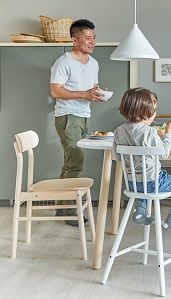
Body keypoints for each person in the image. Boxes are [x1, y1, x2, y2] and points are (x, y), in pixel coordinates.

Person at [112, 88, 171, 231]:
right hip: (153, 182)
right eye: (154, 110)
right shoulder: (150, 132)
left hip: (132, 184)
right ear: (146, 113)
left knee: (144, 184)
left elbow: (117, 157)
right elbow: (164, 153)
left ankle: (139, 211)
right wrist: (168, 133)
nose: (155, 113)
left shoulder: (118, 131)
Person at [50, 19, 102, 226]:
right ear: (75, 40)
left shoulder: (94, 63)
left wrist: (96, 93)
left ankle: (62, 208)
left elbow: (92, 87)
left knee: (71, 162)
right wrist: (84, 93)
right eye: (88, 38)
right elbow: (55, 90)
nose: (92, 42)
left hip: (84, 116)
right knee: (76, 160)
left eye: (94, 38)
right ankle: (70, 210)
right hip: (67, 116)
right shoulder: (63, 62)